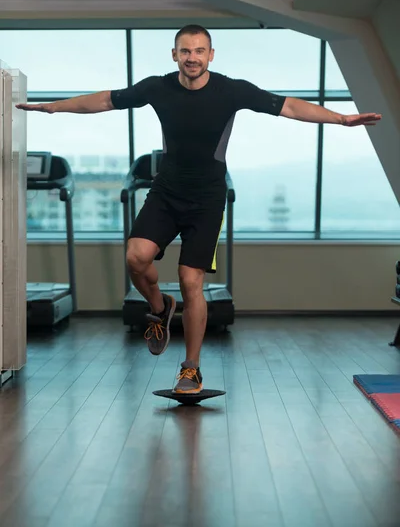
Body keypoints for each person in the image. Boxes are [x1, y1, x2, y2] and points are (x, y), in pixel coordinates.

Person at [16, 24, 382, 394]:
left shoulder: (231, 90)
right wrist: (54, 107)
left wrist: (340, 118)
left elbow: (288, 106)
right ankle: (160, 308)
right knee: (135, 257)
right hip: (166, 191)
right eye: (185, 51)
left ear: (211, 54)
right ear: (174, 54)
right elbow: (106, 100)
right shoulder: (157, 87)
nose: (192, 57)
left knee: (192, 282)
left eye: (199, 50)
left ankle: (190, 368)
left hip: (207, 198)